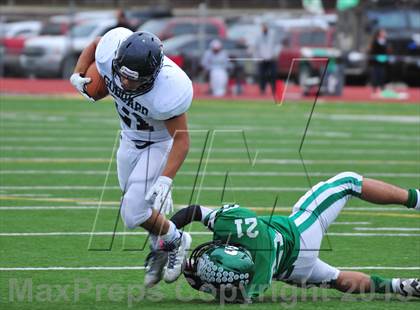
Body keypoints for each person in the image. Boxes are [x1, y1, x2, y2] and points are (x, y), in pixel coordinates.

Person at [169, 172, 420, 302]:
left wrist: (170, 242)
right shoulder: (241, 225)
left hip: (293, 270)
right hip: (300, 235)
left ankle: (400, 286)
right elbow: (194, 211)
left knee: (334, 279)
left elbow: (236, 293)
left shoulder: (253, 280)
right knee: (348, 182)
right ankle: (415, 199)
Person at [69, 28, 193, 288]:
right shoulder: (112, 50)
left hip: (157, 144)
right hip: (127, 140)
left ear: (153, 75)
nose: (125, 84)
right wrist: (78, 74)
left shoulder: (169, 88)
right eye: (122, 75)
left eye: (133, 80)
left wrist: (165, 179)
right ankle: (160, 245)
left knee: (132, 213)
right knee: (141, 209)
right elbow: (95, 43)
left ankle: (177, 239)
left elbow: (182, 140)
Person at [253, 24, 280, 96]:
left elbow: (277, 45)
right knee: (262, 75)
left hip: (271, 58)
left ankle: (274, 89)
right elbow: (256, 48)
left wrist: (275, 55)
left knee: (273, 74)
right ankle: (262, 89)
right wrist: (257, 58)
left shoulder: (273, 35)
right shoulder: (258, 36)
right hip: (262, 59)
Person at [368, 29, 390, 96]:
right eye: (382, 33)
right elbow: (371, 51)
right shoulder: (375, 41)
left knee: (382, 74)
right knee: (375, 74)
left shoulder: (386, 41)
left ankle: (382, 88)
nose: (383, 34)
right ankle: (374, 88)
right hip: (375, 61)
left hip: (383, 61)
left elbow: (387, 50)